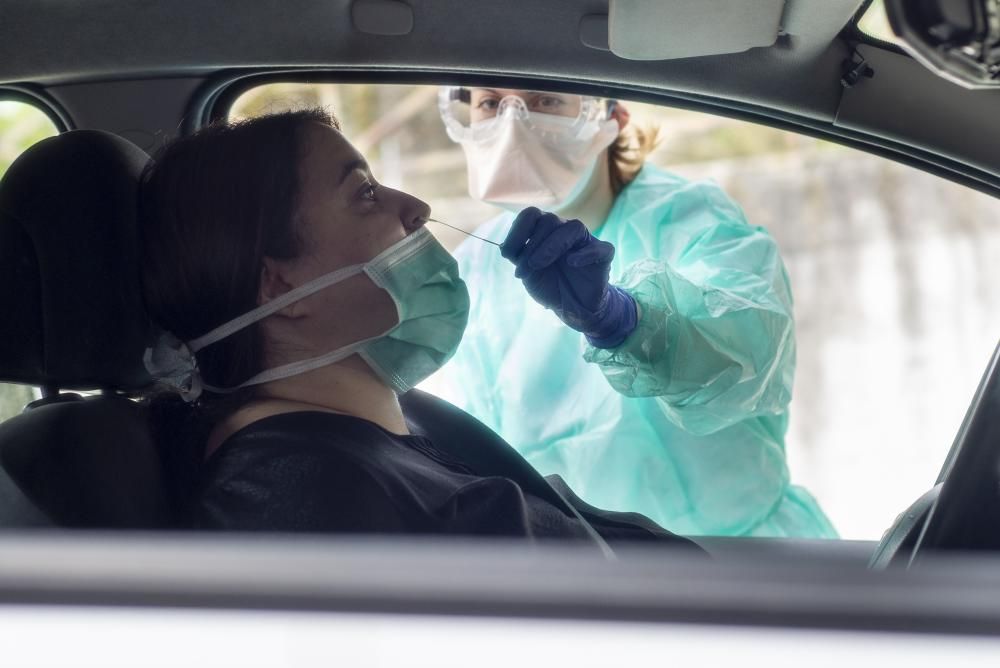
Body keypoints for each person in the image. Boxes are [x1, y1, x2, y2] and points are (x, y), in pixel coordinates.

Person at [137, 108, 696, 553]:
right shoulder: (299, 501)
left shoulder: (396, 419)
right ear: (276, 286)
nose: (418, 209)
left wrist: (618, 319)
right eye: (365, 195)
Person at [433, 87, 837, 538]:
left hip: (734, 560)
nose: (512, 123)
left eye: (545, 101)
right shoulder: (478, 267)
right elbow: (481, 452)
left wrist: (624, 321)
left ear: (614, 117)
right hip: (580, 572)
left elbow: (750, 353)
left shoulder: (689, 217)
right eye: (490, 104)